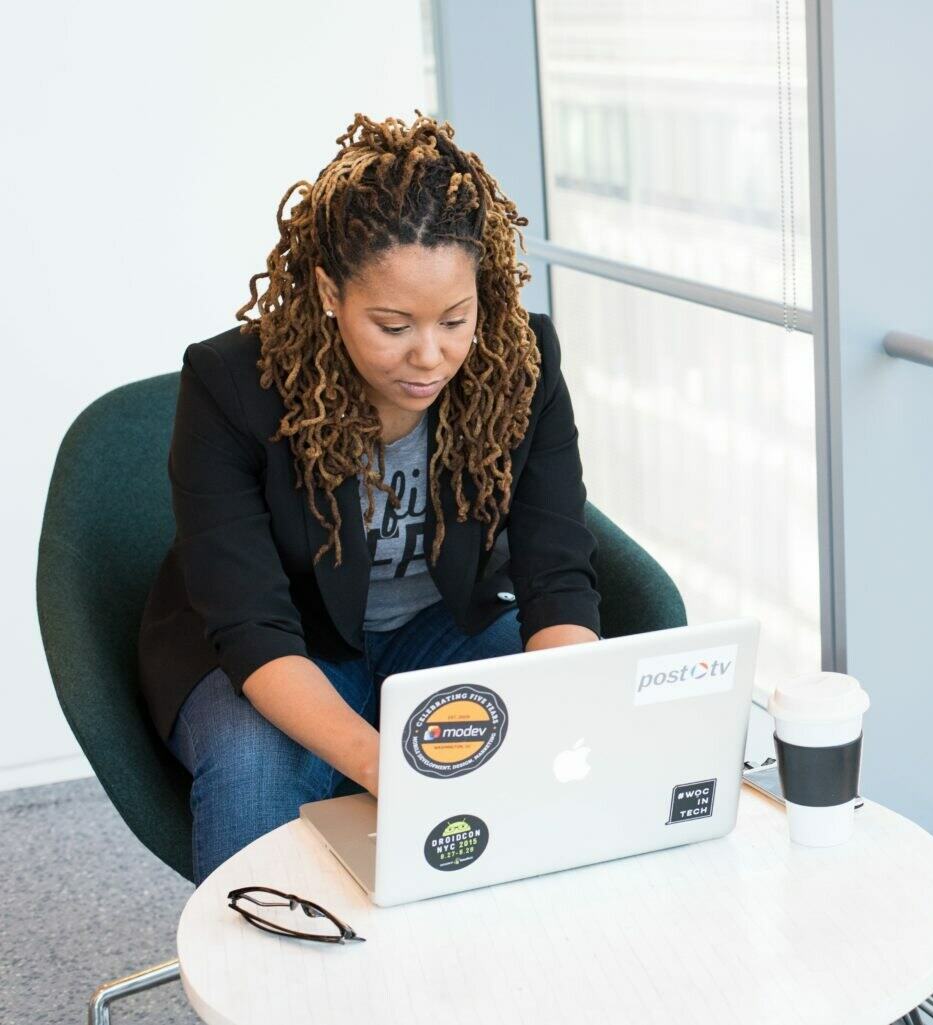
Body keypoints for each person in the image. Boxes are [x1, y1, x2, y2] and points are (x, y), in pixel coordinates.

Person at [137, 111, 602, 884]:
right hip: (283, 646)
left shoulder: (522, 363)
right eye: (393, 325)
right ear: (328, 290)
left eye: (456, 318)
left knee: (556, 751)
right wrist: (390, 764)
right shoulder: (230, 387)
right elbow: (251, 624)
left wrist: (567, 711)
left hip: (436, 630)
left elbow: (558, 573)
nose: (431, 355)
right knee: (257, 769)